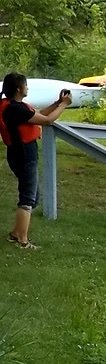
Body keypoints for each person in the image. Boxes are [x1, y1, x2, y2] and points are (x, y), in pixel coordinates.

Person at [1, 73, 71, 250]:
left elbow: (37, 115)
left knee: (33, 197)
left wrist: (57, 103)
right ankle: (22, 241)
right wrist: (64, 105)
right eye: (25, 85)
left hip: (18, 153)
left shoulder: (12, 107)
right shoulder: (15, 109)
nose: (27, 88)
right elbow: (46, 120)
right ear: (19, 88)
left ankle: (15, 234)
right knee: (27, 198)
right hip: (24, 154)